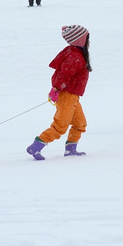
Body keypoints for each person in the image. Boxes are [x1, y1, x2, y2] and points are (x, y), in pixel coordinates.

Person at [26, 25, 92, 160]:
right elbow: (64, 74)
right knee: (60, 126)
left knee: (80, 124)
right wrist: (56, 88)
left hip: (73, 96)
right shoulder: (75, 56)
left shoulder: (77, 53)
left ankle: (70, 149)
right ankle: (36, 146)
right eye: (87, 38)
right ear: (80, 40)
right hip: (67, 95)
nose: (88, 41)